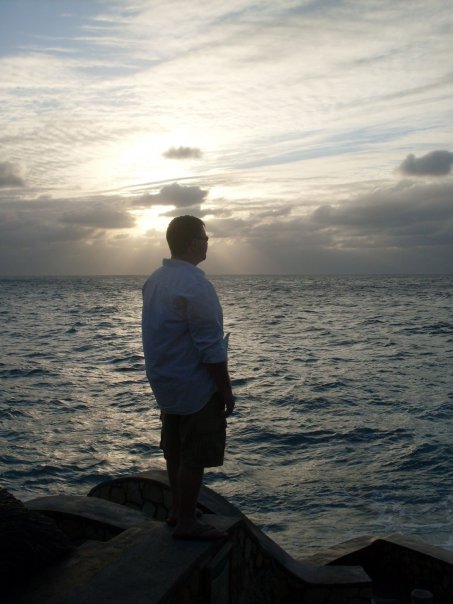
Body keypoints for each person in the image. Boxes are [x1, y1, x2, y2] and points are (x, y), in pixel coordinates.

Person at [142, 215, 235, 540]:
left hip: (166, 381)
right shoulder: (195, 285)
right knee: (194, 455)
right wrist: (226, 390)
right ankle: (186, 523)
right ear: (194, 243)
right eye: (205, 238)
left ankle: (178, 511)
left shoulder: (155, 280)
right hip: (195, 385)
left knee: (174, 450)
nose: (208, 243)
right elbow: (210, 347)